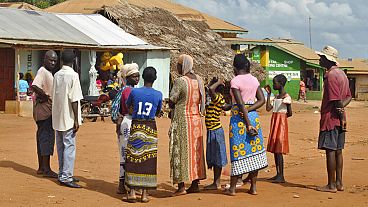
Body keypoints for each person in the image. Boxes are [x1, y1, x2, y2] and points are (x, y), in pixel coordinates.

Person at [225, 54, 267, 196]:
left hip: (239, 120)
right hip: (254, 117)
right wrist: (250, 111)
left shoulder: (235, 81)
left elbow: (240, 103)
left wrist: (247, 123)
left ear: (235, 67)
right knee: (254, 151)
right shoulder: (254, 80)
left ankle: (232, 188)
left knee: (237, 151)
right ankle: (253, 187)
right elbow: (261, 100)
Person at [169, 54, 206, 196]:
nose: (177, 68)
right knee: (195, 152)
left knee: (180, 151)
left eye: (178, 65)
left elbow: (172, 100)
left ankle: (181, 186)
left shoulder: (180, 81)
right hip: (196, 120)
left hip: (182, 120)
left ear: (183, 66)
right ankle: (195, 183)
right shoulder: (199, 80)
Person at [316, 46, 351, 193]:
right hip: (339, 118)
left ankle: (331, 185)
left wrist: (340, 115)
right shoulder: (342, 74)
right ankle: (339, 183)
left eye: (321, 57)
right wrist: (342, 113)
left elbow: (336, 100)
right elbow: (348, 96)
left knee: (330, 150)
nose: (319, 59)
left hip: (331, 118)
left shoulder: (330, 76)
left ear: (327, 59)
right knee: (338, 150)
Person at [125, 67, 163, 203]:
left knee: (133, 157)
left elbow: (128, 106)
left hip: (137, 126)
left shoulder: (135, 91)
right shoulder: (158, 94)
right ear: (155, 78)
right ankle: (145, 195)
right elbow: (158, 111)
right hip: (150, 127)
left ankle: (132, 193)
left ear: (142, 77)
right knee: (149, 160)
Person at [52, 49, 84, 188]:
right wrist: (77, 119)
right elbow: (75, 99)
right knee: (69, 146)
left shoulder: (57, 75)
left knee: (60, 147)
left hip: (58, 115)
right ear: (74, 61)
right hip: (69, 116)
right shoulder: (73, 75)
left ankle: (62, 173)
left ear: (61, 61)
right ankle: (66, 176)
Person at [31, 50, 58, 178]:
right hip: (45, 111)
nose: (52, 63)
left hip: (44, 110)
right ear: (44, 59)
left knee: (42, 137)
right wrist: (45, 96)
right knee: (46, 137)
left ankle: (42, 167)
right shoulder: (42, 71)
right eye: (50, 60)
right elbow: (35, 86)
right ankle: (46, 168)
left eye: (54, 61)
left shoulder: (48, 73)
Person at [115, 63, 140, 194]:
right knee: (128, 154)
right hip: (128, 121)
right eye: (134, 76)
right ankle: (126, 184)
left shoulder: (124, 90)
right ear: (128, 77)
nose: (137, 79)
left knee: (124, 154)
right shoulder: (129, 91)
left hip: (123, 123)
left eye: (138, 76)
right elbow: (131, 108)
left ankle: (122, 183)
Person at [264, 74, 292, 183]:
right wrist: (269, 94)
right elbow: (267, 108)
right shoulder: (276, 97)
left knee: (279, 149)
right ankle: (278, 174)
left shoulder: (286, 97)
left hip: (281, 123)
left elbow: (290, 113)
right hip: (276, 122)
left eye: (274, 83)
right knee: (276, 150)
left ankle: (281, 175)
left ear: (280, 84)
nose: (273, 84)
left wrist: (281, 117)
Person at [203, 77, 229, 190]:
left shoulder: (218, 98)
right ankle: (215, 182)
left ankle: (216, 183)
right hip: (212, 130)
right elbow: (209, 89)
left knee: (217, 157)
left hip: (215, 130)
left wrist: (218, 82)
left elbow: (210, 89)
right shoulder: (216, 98)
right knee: (214, 156)